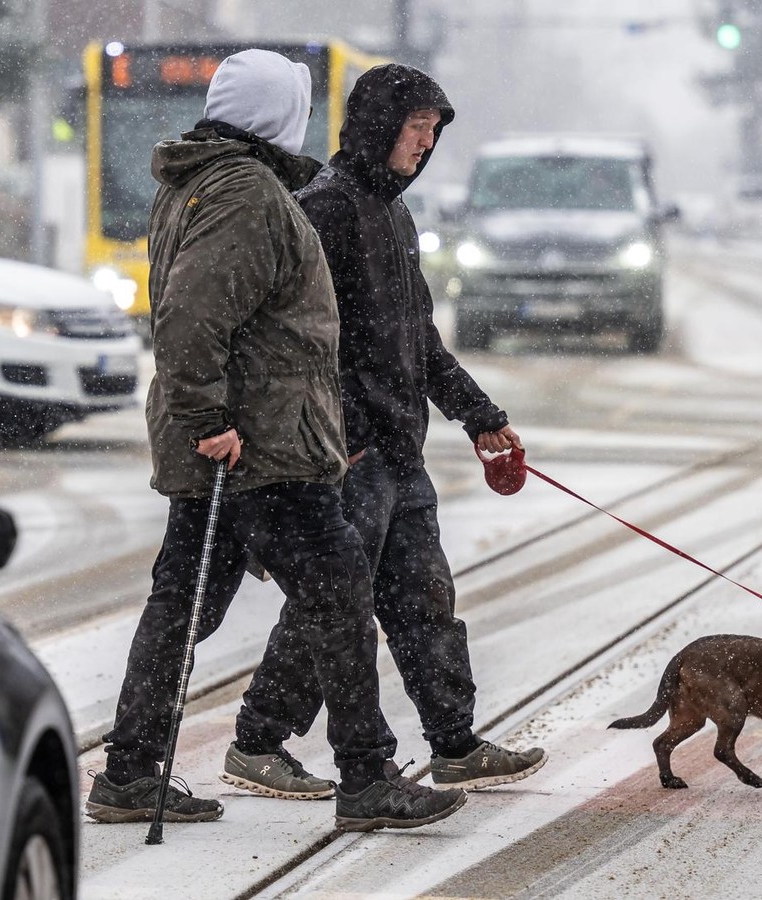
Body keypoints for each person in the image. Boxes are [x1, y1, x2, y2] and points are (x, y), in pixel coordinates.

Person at [84, 49, 467, 833]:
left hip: (238, 441)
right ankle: (366, 777)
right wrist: (209, 421)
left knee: (183, 604)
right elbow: (190, 317)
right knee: (340, 594)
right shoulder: (248, 193)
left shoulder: (199, 181)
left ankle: (129, 771)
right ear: (277, 113)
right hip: (262, 447)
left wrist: (205, 422)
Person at [221, 63, 547, 800]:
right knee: (334, 604)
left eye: (433, 131)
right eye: (416, 128)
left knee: (425, 598)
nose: (425, 143)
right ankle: (258, 740)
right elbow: (296, 339)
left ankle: (454, 744)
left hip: (400, 452)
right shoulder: (325, 209)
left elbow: (418, 339)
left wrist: (481, 415)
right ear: (379, 126)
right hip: (349, 453)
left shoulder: (393, 213)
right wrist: (345, 434)